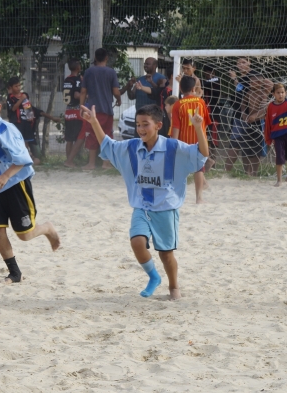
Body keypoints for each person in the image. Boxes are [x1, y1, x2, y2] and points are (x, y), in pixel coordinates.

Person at [82, 103, 208, 301]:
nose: (140, 129)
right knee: (137, 242)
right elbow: (108, 145)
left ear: (158, 125)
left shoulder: (173, 147)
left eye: (145, 124)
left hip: (165, 208)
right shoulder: (131, 147)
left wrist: (199, 128)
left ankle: (174, 286)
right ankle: (154, 277)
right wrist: (94, 122)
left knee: (166, 254)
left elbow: (202, 154)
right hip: (141, 206)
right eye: (138, 124)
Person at [0, 91, 61, 284]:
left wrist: (5, 176)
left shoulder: (6, 129)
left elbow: (23, 159)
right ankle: (15, 273)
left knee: (24, 234)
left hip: (15, 184)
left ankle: (47, 228)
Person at [68, 48, 121, 170]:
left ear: (95, 58)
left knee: (92, 135)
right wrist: (118, 99)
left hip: (92, 110)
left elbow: (83, 91)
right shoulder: (111, 72)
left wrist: (81, 107)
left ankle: (91, 164)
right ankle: (106, 163)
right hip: (107, 110)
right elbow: (116, 91)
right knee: (107, 136)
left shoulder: (89, 72)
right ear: (107, 58)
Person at [171, 75, 213, 204]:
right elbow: (206, 122)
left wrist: (173, 144)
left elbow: (176, 127)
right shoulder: (201, 102)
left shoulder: (177, 105)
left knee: (179, 169)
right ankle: (199, 198)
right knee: (198, 168)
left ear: (180, 88)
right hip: (199, 141)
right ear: (194, 88)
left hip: (184, 143)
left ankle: (176, 196)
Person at [228, 58, 272, 176]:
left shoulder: (254, 75)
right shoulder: (241, 80)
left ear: (249, 62)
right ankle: (244, 172)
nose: (241, 65)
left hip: (255, 120)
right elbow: (242, 97)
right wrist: (243, 112)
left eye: (243, 62)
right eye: (238, 63)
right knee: (241, 145)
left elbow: (269, 84)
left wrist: (256, 114)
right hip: (240, 116)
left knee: (254, 147)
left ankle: (253, 172)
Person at [6, 77, 40, 164]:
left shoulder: (24, 95)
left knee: (26, 140)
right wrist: (21, 99)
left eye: (19, 85)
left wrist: (30, 116)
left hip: (26, 122)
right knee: (18, 141)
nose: (18, 88)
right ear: (11, 87)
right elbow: (13, 108)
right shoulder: (10, 98)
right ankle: (23, 157)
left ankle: (28, 156)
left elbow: (27, 106)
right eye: (16, 86)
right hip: (16, 123)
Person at [62, 59, 84, 163]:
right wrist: (86, 96)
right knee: (79, 137)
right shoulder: (77, 79)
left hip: (68, 111)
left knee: (69, 139)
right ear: (78, 68)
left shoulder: (66, 79)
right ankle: (70, 161)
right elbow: (76, 95)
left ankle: (69, 160)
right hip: (76, 112)